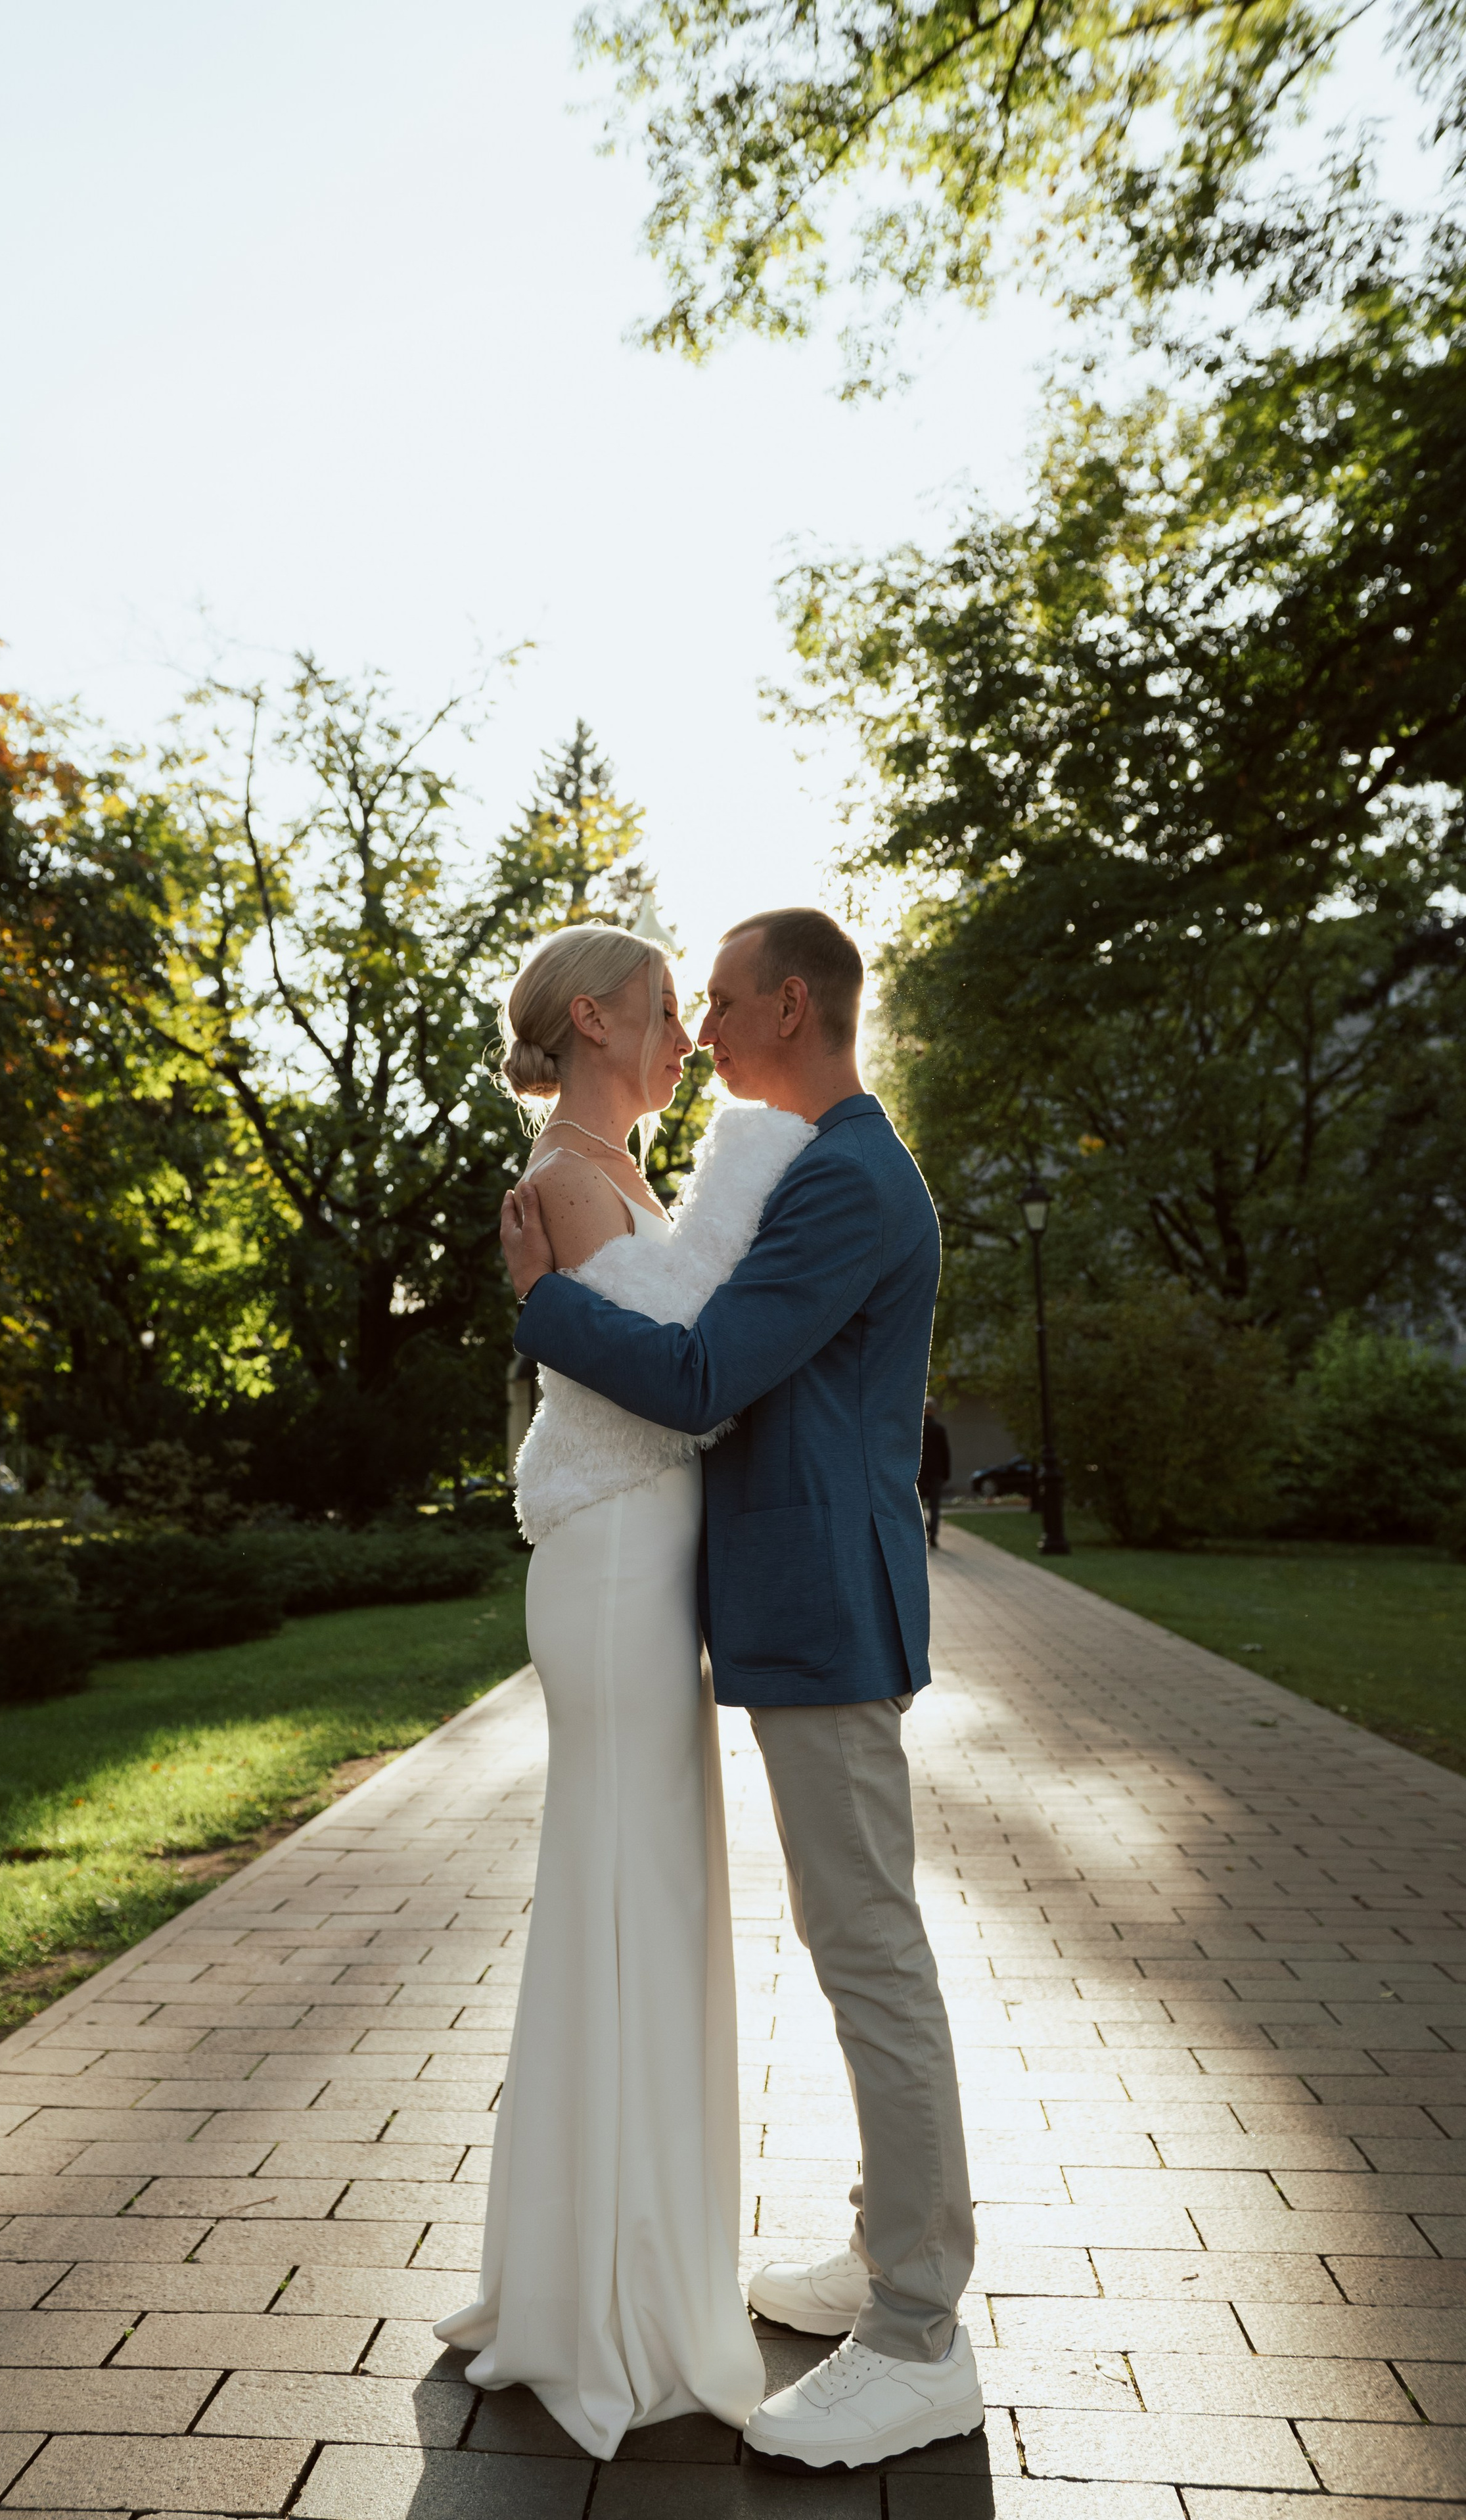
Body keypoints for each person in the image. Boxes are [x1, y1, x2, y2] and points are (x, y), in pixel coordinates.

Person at [501, 907, 980, 2475]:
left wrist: (542, 1304)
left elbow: (704, 1377)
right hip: (793, 1600)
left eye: (715, 997)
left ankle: (916, 2332)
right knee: (852, 1937)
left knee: (866, 1947)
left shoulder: (841, 1176)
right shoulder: (822, 1162)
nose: (697, 1026)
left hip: (824, 1605)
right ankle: (881, 2249)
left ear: (791, 999)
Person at [434, 923, 779, 2459]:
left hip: (648, 1559)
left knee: (648, 1888)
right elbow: (666, 1373)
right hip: (613, 1556)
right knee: (624, 1887)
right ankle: (603, 2296)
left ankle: (617, 2255)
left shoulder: (617, 1174)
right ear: (591, 1018)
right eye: (661, 1013)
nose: (684, 1037)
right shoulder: (567, 1182)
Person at [919, 1396, 952, 1549]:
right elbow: (945, 1453)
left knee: (919, 1506)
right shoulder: (939, 1429)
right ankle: (934, 1537)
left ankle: (923, 1532)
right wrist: (946, 1473)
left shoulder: (918, 1429)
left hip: (920, 1473)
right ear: (934, 1410)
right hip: (936, 1474)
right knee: (935, 1507)